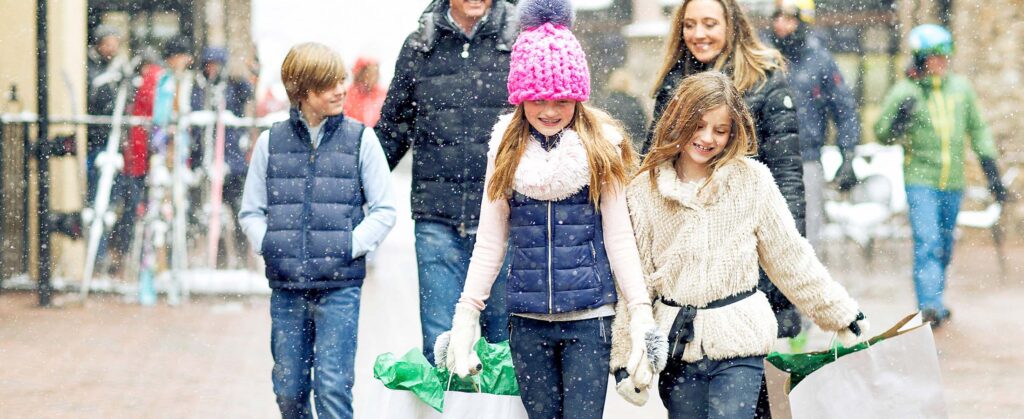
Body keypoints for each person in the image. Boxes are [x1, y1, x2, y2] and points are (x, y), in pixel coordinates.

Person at [437, 2, 665, 418]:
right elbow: (490, 241)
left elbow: (619, 237)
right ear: (520, 97)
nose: (549, 110)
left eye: (562, 99)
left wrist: (640, 313)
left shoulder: (601, 148)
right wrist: (466, 314)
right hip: (527, 321)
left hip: (590, 320)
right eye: (537, 98)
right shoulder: (504, 150)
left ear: (578, 96)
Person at [612, 71, 868, 418]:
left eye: (720, 130)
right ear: (679, 121)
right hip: (678, 346)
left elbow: (789, 256)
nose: (707, 138)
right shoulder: (645, 191)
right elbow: (634, 282)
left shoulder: (752, 181)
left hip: (740, 342)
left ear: (733, 132)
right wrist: (625, 357)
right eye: (698, 126)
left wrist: (838, 312)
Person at [238, 42, 397, 418]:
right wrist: (271, 245)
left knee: (332, 388)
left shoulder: (361, 140)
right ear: (303, 91)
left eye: (341, 80)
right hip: (287, 287)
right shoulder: (271, 142)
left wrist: (349, 246)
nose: (341, 90)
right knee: (288, 390)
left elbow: (384, 209)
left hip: (340, 287)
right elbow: (251, 212)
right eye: (329, 84)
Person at [376, 0, 519, 364]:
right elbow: (392, 130)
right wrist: (351, 188)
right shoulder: (420, 45)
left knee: (503, 350)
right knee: (441, 347)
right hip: (437, 219)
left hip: (504, 217)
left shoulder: (518, 41)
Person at [874, 24, 1008, 327]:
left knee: (945, 245)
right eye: (934, 57)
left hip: (953, 181)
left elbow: (979, 129)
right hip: (920, 179)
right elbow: (882, 133)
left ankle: (935, 297)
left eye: (945, 57)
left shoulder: (960, 89)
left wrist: (992, 171)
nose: (941, 63)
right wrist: (898, 120)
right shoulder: (906, 91)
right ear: (921, 59)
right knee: (928, 241)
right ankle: (929, 307)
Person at [767, 0, 861, 254]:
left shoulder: (820, 61)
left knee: (806, 236)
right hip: (766, 159)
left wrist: (848, 152)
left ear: (802, 22)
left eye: (789, 18)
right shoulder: (762, 58)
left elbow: (844, 109)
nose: (780, 24)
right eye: (777, 17)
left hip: (806, 159)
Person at [600, 68, 648, 152]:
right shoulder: (634, 101)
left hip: (611, 143)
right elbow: (642, 124)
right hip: (631, 143)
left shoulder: (606, 101)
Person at [342, 56, 386, 127]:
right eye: (369, 74)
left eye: (375, 73)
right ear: (360, 74)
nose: (373, 78)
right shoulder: (348, 94)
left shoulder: (382, 94)